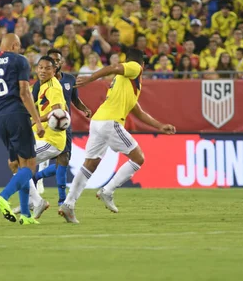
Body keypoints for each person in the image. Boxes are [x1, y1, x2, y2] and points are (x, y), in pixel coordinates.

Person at [59, 49, 176, 223]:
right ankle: (108, 191)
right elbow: (113, 67)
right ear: (141, 64)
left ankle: (68, 204)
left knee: (89, 165)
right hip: (110, 122)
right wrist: (91, 78)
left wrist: (160, 126)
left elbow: (138, 112)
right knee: (138, 158)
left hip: (98, 122)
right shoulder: (135, 68)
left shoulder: (126, 84)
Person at [0, 33, 45, 225]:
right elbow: (24, 92)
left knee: (19, 165)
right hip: (17, 115)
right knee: (29, 165)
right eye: (19, 46)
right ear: (14, 45)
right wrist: (37, 120)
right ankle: (3, 196)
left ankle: (26, 216)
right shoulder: (19, 60)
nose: (20, 50)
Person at [26, 48, 91, 207]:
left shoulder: (69, 79)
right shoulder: (41, 85)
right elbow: (33, 104)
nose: (55, 62)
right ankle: (56, 196)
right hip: (46, 127)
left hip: (63, 124)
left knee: (64, 160)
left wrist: (84, 109)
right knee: (38, 160)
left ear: (59, 64)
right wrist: (33, 120)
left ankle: (56, 194)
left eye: (57, 60)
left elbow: (75, 99)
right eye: (52, 61)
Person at [8, 55, 67, 219]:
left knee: (19, 163)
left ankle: (35, 201)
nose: (43, 71)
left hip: (52, 140)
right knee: (16, 164)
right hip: (42, 138)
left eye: (48, 68)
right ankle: (33, 201)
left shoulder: (53, 87)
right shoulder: (42, 86)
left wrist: (35, 120)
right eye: (40, 67)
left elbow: (57, 112)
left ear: (54, 70)